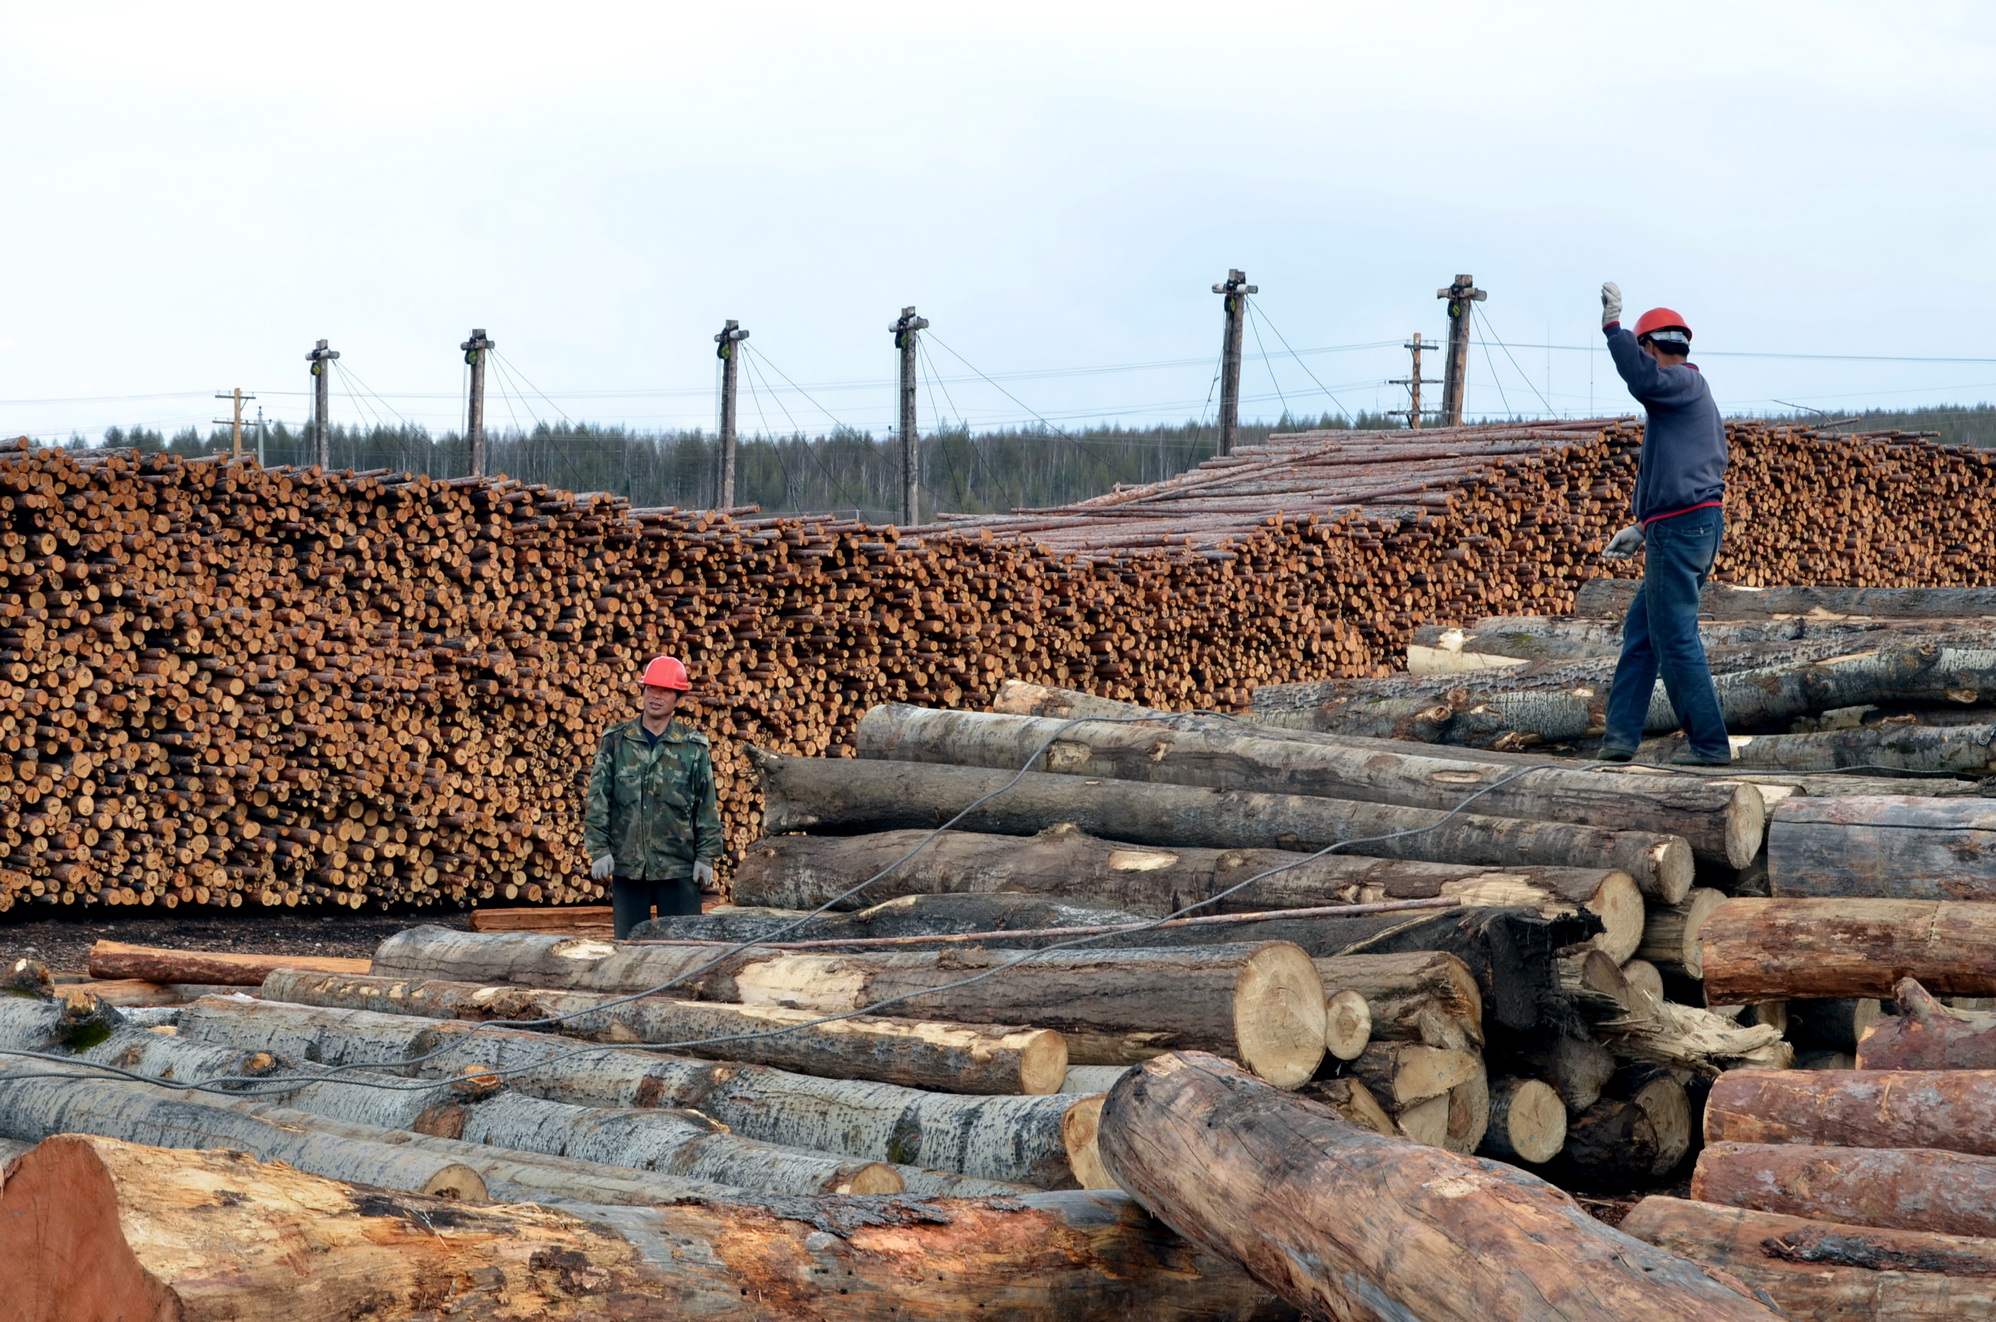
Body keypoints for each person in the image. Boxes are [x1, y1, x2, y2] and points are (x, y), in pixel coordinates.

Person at [1595, 282, 1731, 766]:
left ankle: (1711, 747)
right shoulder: (1683, 400)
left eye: (1640, 349)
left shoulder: (1680, 384)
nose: (1641, 359)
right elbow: (1681, 468)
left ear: (1650, 348)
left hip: (1682, 530)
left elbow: (1642, 379)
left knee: (1674, 639)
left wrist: (1613, 329)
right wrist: (1643, 526)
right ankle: (1620, 740)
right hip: (1676, 527)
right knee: (1643, 635)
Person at [583, 654, 724, 937]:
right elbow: (598, 801)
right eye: (651, 688)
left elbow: (705, 806)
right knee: (628, 953)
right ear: (643, 692)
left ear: (678, 699)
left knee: (684, 954)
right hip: (629, 868)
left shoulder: (692, 747)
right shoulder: (616, 741)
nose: (656, 696)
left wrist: (706, 857)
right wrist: (599, 851)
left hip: (678, 869)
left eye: (665, 690)